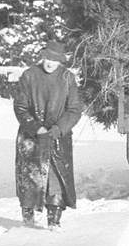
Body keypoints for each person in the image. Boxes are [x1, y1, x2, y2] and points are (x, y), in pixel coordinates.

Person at [13, 41, 84, 228]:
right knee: (30, 177)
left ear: (60, 61)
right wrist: (35, 127)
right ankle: (27, 214)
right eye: (47, 58)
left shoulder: (67, 78)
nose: (50, 62)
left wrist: (59, 128)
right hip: (31, 137)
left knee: (56, 178)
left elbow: (75, 109)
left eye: (55, 59)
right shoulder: (29, 76)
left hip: (57, 137)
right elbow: (20, 107)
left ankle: (54, 219)